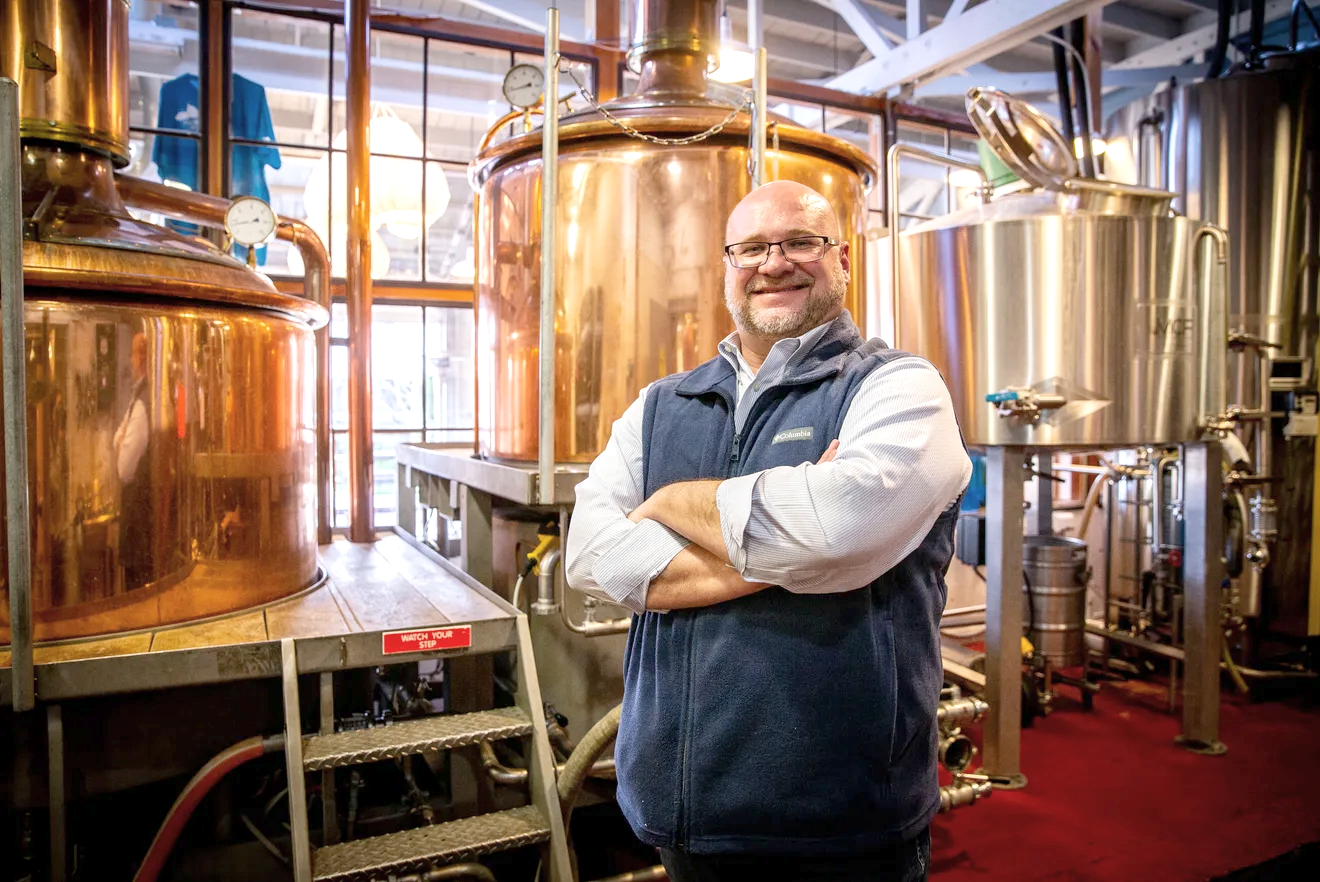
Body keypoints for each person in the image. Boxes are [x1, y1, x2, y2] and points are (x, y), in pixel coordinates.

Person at [565, 180, 971, 881]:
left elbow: (834, 529)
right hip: (682, 806)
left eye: (800, 243)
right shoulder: (664, 404)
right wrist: (797, 549)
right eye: (751, 247)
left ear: (842, 259)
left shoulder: (897, 387)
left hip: (839, 815)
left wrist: (666, 503)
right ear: (727, 266)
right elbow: (594, 559)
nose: (774, 262)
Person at [113, 332, 152, 591]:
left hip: (138, 516)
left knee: (136, 591)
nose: (131, 359)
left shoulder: (140, 406)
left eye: (135, 353)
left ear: (143, 359)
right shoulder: (139, 400)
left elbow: (124, 468)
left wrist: (121, 439)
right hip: (143, 518)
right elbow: (118, 438)